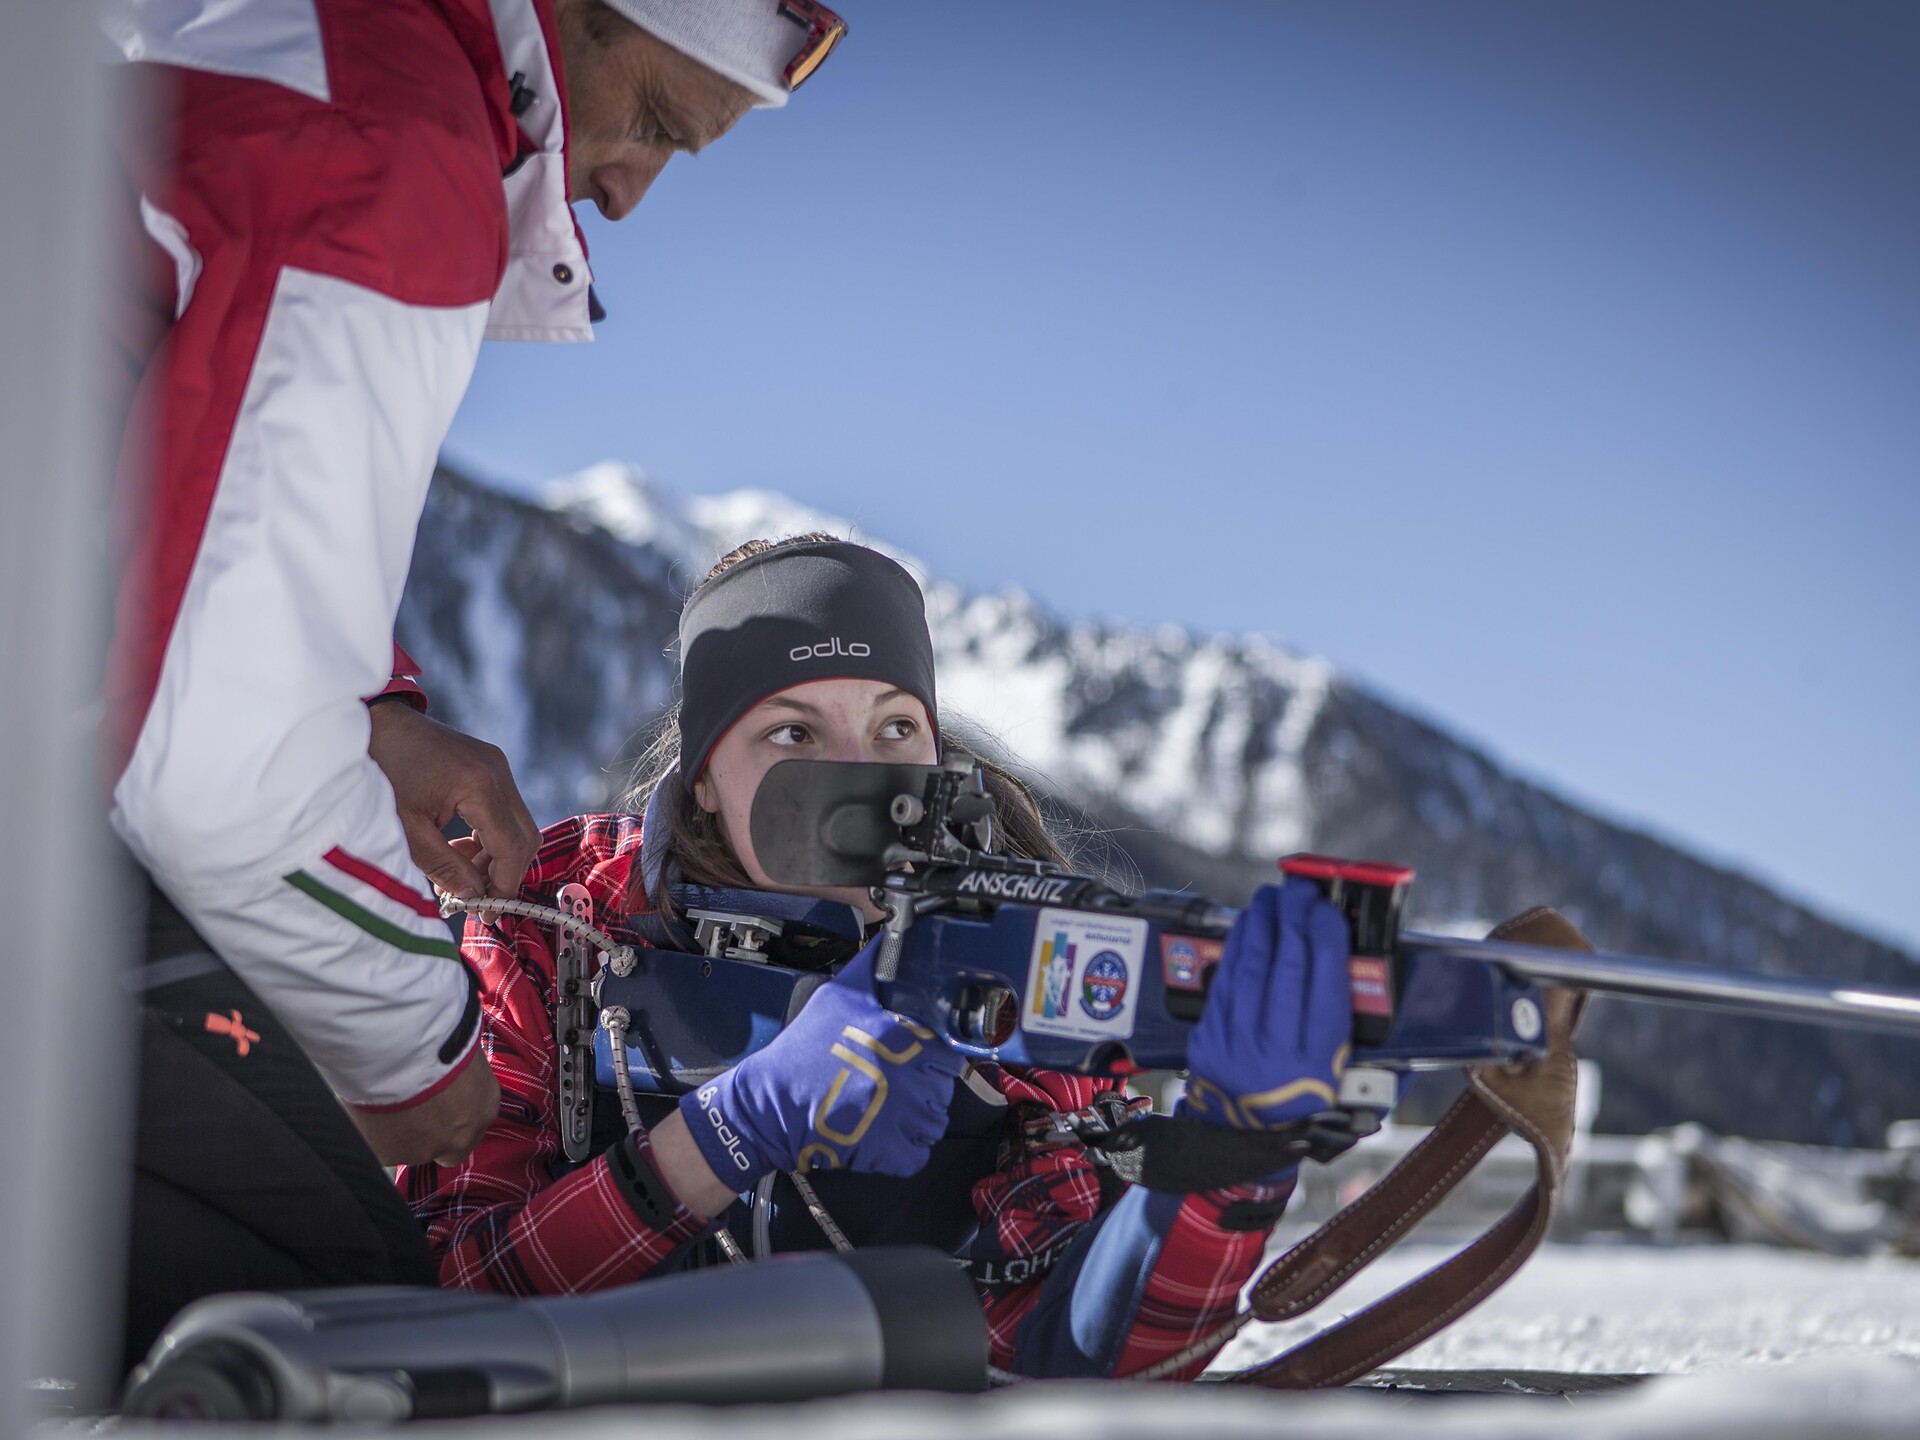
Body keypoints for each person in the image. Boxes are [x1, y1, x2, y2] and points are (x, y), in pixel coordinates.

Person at [104, 0, 848, 1368]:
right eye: (655, 123)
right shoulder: (394, 142)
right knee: (327, 1320)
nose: (624, 191)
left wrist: (372, 719)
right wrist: (414, 1055)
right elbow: (218, 770)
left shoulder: (279, 47)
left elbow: (158, 488)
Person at [403, 536, 1354, 1379]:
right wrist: (729, 1130)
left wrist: (1228, 1159)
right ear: (701, 782)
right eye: (793, 732)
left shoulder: (1015, 953)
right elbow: (439, 1299)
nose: (860, 779)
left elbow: (1074, 1351)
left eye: (895, 728)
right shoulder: (553, 916)